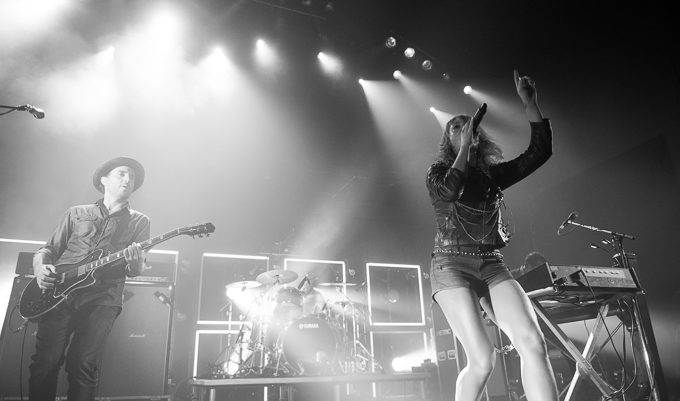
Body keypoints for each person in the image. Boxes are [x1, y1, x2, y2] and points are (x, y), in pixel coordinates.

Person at [426, 70, 558, 401]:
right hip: (450, 265)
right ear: (448, 141)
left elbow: (539, 152)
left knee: (532, 342)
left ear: (479, 137)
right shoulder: (437, 173)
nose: (463, 128)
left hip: (491, 263)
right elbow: (451, 190)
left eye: (467, 124)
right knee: (483, 360)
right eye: (455, 127)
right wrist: (464, 149)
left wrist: (530, 103)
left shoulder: (492, 177)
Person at [29, 157, 151, 401]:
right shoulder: (77, 213)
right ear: (103, 180)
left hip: (104, 298)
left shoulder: (140, 221)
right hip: (60, 294)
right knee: (46, 360)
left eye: (133, 176)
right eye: (122, 173)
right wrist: (40, 268)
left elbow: (135, 269)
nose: (128, 179)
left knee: (83, 364)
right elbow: (48, 250)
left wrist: (137, 263)